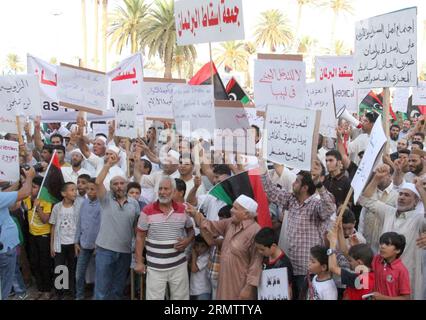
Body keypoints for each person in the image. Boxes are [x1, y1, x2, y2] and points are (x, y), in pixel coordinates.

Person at [260, 158, 336, 298]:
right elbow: (271, 191)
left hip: (308, 270)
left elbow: (330, 207)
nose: (293, 183)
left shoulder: (315, 205)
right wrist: (262, 165)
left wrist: (318, 183)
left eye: (296, 182)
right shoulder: (292, 200)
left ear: (305, 187)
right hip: (291, 267)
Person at [359, 166, 426, 299]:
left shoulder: (419, 220)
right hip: (384, 277)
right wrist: (376, 179)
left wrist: (420, 189)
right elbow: (365, 200)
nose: (401, 197)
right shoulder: (388, 212)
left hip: (409, 278)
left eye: (407, 195)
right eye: (400, 193)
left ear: (416, 201)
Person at [186, 195, 263, 300]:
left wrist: (248, 288)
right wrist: (195, 214)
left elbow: (256, 263)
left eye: (235, 208)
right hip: (224, 280)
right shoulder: (230, 223)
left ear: (246, 214)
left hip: (241, 284)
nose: (231, 210)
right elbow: (210, 226)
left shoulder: (255, 231)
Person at [134, 176, 194, 300]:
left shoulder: (183, 210)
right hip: (155, 267)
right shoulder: (147, 210)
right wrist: (139, 262)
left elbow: (191, 231)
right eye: (160, 189)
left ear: (173, 191)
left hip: (179, 266)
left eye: (166, 189)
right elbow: (140, 237)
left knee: (181, 298)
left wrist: (187, 241)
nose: (162, 192)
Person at [94, 154, 140, 300]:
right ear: (111, 186)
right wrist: (108, 165)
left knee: (118, 288)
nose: (119, 186)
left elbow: (135, 228)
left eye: (122, 183)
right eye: (116, 184)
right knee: (101, 288)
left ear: (127, 185)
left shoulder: (134, 203)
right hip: (105, 250)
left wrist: (136, 249)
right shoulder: (105, 198)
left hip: (125, 251)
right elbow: (97, 182)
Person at [0, 167, 35, 300]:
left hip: (6, 246)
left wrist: (15, 181)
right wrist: (30, 177)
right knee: (5, 286)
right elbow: (25, 193)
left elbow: (8, 195)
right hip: (4, 249)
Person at [49, 182, 83, 299]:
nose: (75, 192)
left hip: (73, 244)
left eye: (75, 190)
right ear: (64, 193)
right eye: (72, 190)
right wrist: (52, 245)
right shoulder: (57, 207)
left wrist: (78, 242)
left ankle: (73, 292)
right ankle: (59, 293)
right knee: (59, 268)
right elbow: (53, 226)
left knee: (73, 269)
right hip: (60, 244)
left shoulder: (78, 206)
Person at [23, 175, 54, 300]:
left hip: (43, 236)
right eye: (31, 187)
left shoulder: (46, 201)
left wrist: (38, 207)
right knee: (34, 262)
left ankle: (47, 289)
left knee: (44, 263)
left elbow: (45, 219)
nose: (32, 189)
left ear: (41, 189)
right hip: (32, 235)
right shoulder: (27, 198)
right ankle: (40, 288)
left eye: (35, 187)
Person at [327, 223, 375, 300]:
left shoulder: (357, 280)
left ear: (359, 262)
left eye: (350, 261)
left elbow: (332, 267)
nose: (349, 263)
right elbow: (345, 252)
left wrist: (332, 244)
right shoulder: (371, 274)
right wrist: (340, 230)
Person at [358, 164, 397, 253]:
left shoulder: (397, 195)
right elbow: (362, 216)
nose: (380, 176)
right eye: (377, 174)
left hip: (386, 245)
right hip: (367, 242)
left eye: (383, 173)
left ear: (390, 176)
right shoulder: (369, 192)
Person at [74, 178, 101, 300]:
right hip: (84, 245)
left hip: (98, 246)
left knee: (99, 275)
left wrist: (99, 244)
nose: (89, 192)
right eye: (88, 189)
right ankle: (79, 296)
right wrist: (76, 241)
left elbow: (104, 226)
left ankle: (97, 296)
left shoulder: (103, 205)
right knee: (79, 274)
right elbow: (79, 223)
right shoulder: (84, 203)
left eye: (92, 189)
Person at [254, 227, 294, 300]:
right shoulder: (265, 258)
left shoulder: (284, 264)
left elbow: (287, 291)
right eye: (258, 249)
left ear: (273, 246)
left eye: (262, 249)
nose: (259, 252)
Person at [370, 232, 411, 300]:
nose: (382, 246)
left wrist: (383, 298)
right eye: (381, 243)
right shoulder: (376, 260)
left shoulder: (402, 270)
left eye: (387, 244)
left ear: (398, 250)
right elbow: (364, 270)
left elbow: (406, 298)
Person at [190, 234, 211, 300]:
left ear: (208, 247)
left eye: (203, 246)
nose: (199, 249)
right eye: (197, 245)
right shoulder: (197, 256)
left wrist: (193, 255)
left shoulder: (206, 256)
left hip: (203, 291)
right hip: (194, 290)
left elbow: (193, 269)